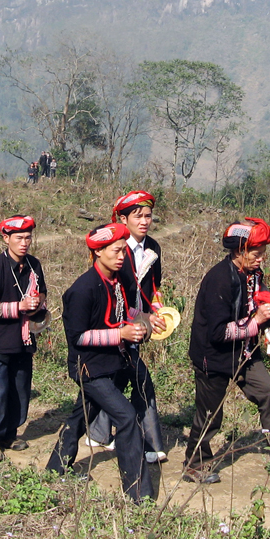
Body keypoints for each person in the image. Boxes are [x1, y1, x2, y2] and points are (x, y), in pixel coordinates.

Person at [183, 218, 270, 489]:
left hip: (244, 352)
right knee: (210, 414)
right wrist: (255, 322)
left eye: (264, 253)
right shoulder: (219, 280)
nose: (261, 259)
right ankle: (195, 464)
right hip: (214, 357)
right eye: (257, 253)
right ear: (239, 251)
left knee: (269, 392)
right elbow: (217, 333)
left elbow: (255, 301)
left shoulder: (253, 275)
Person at [45, 223, 154, 504]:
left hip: (112, 362)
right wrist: (120, 334)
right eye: (116, 251)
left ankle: (55, 469)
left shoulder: (119, 280)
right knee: (127, 418)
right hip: (89, 368)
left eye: (123, 251)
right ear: (98, 252)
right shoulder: (82, 290)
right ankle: (138, 494)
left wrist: (145, 319)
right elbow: (78, 336)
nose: (121, 257)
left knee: (82, 415)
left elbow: (124, 311)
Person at [86, 191, 168, 463]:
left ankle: (98, 431)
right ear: (123, 218)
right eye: (137, 216)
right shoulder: (114, 247)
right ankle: (150, 443)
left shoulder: (153, 248)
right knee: (137, 379)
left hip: (138, 321)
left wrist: (154, 312)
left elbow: (154, 287)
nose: (144, 221)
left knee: (118, 377)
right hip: (116, 323)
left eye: (148, 216)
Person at [0, 215, 47, 459]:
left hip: (23, 340)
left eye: (28, 238)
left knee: (19, 391)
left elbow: (42, 294)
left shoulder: (34, 265)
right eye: (19, 238)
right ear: (6, 238)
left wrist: (38, 304)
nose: (24, 243)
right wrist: (19, 306)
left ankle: (9, 434)